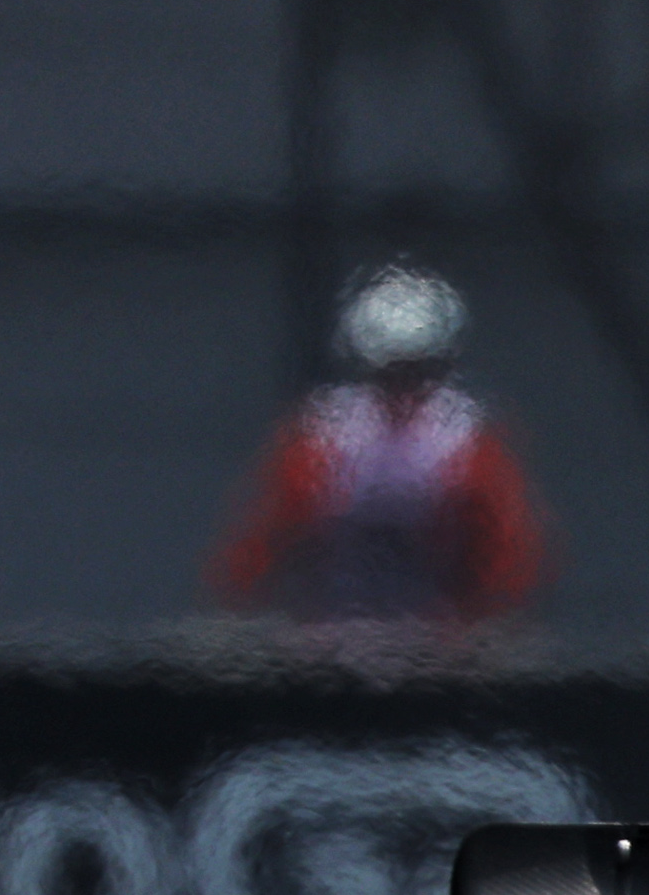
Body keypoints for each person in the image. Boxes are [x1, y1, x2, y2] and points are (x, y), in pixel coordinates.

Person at [207, 264, 552, 634]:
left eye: (417, 372)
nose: (403, 389)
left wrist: (481, 634)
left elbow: (509, 557)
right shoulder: (322, 438)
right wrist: (240, 617)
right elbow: (261, 542)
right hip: (333, 638)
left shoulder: (467, 444)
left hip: (438, 645)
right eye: (392, 373)